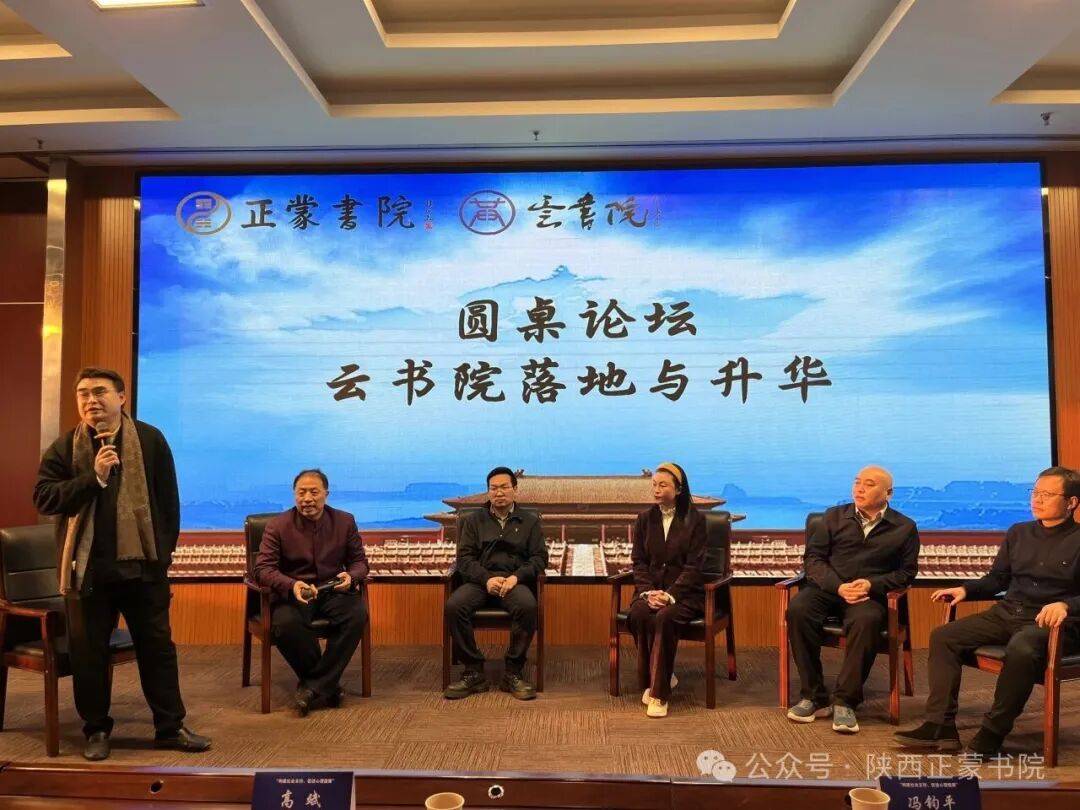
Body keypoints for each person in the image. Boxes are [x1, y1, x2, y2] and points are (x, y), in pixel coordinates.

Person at [33, 367, 210, 761]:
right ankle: (96, 729)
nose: (91, 400)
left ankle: (170, 726)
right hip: (87, 572)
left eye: (100, 392)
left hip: (143, 570)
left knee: (158, 649)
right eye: (83, 394)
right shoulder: (65, 448)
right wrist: (93, 478)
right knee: (89, 654)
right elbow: (44, 498)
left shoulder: (149, 439)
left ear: (121, 397)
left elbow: (168, 504)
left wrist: (161, 558)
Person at [895, 466, 1080, 757]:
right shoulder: (1019, 532)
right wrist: (966, 590)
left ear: (1071, 502)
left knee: (1022, 647)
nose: (1037, 499)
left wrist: (1066, 605)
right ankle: (940, 726)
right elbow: (997, 580)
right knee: (944, 636)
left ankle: (993, 731)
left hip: (1055, 624)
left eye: (1047, 494)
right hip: (1008, 613)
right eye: (1035, 492)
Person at [785, 466, 920, 734]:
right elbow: (813, 560)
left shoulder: (904, 527)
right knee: (798, 609)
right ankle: (813, 695)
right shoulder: (833, 517)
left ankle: (845, 701)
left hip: (868, 594)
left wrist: (872, 584)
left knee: (867, 620)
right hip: (829, 588)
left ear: (888, 493)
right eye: (857, 482)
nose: (859, 488)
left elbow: (906, 573)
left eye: (869, 484)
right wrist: (838, 587)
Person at [254, 469, 369, 716]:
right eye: (301, 492)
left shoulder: (344, 521)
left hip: (333, 591)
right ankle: (328, 686)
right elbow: (263, 569)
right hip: (295, 593)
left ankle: (313, 687)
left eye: (314, 492)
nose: (307, 498)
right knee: (285, 624)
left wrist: (351, 576)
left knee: (357, 615)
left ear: (326, 494)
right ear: (294, 495)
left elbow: (360, 563)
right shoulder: (278, 525)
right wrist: (291, 585)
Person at [443, 467, 547, 701]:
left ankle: (513, 672)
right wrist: (486, 579)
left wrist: (516, 578)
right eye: (493, 488)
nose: (499, 492)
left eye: (504, 487)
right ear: (488, 492)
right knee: (454, 606)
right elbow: (464, 559)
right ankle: (473, 670)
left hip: (513, 582)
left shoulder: (529, 522)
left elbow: (540, 558)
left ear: (515, 490)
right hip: (481, 581)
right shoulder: (473, 521)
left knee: (528, 606)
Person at [627, 462, 706, 718]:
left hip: (684, 595)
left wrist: (670, 594)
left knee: (664, 617)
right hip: (650, 592)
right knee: (639, 613)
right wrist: (648, 592)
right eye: (654, 485)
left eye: (663, 485)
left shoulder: (696, 520)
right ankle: (658, 676)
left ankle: (659, 694)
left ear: (679, 489)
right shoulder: (644, 519)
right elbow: (638, 562)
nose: (656, 490)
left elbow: (694, 567)